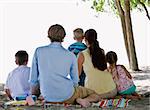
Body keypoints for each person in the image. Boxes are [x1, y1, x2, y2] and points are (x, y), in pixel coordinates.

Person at [29, 24, 100, 107]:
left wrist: (36, 95)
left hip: (47, 95)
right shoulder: (70, 55)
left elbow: (33, 79)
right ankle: (82, 100)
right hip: (67, 95)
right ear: (64, 37)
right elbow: (75, 81)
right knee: (95, 94)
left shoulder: (38, 51)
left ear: (48, 36)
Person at [78, 29, 117, 99]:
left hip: (91, 91)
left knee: (89, 95)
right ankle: (95, 97)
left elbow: (77, 74)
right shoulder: (101, 51)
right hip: (111, 90)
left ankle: (92, 98)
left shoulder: (81, 54)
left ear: (85, 40)